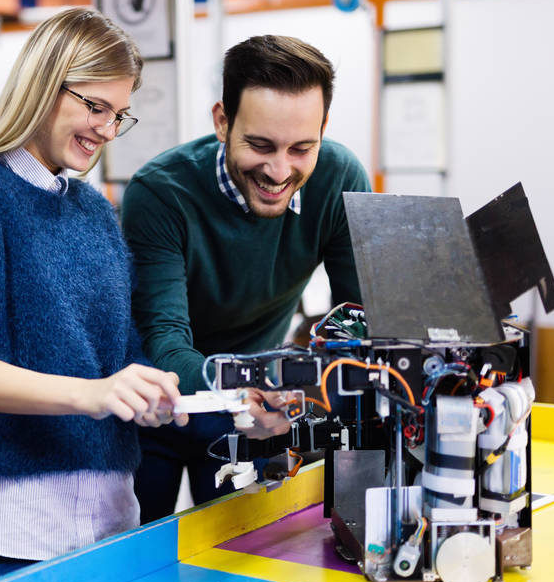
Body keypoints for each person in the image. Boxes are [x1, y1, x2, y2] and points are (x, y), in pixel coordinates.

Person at [0, 7, 188, 582]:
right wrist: (95, 394)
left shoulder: (93, 211)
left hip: (109, 511)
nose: (108, 130)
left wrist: (162, 394)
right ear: (43, 85)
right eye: (96, 106)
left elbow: (120, 354)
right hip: (13, 520)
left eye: (120, 115)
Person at [121, 35, 371, 522]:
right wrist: (247, 389)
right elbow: (167, 340)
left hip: (254, 409)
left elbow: (357, 324)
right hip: (160, 401)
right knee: (136, 565)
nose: (279, 171)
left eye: (302, 148)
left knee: (245, 561)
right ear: (222, 121)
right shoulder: (160, 193)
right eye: (260, 145)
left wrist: (301, 398)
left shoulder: (340, 177)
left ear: (323, 129)